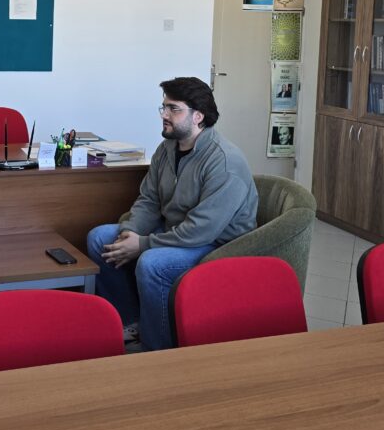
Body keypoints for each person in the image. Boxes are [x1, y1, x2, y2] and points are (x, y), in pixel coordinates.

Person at [86, 77, 258, 351]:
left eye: (173, 109)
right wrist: (130, 232)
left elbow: (202, 230)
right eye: (163, 107)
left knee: (153, 262)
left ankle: (158, 347)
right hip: (176, 232)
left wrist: (143, 244)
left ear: (198, 116)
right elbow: (149, 200)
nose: (164, 115)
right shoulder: (167, 149)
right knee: (100, 239)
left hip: (216, 244)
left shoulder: (225, 161)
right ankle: (132, 322)